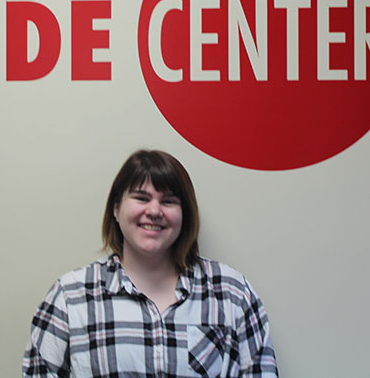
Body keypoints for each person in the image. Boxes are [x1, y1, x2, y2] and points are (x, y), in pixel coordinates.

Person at [23, 150, 278, 377]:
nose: (155, 211)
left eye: (168, 201)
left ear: (184, 213)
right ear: (116, 208)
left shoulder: (231, 292)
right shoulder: (71, 297)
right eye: (141, 198)